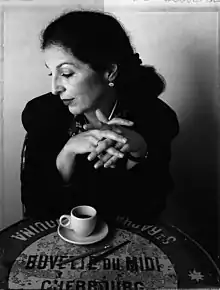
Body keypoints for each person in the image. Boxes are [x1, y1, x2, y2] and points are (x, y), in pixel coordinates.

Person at [21, 10, 179, 224]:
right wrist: (66, 156)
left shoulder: (155, 117)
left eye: (66, 73)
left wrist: (139, 153)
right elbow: (36, 211)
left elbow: (148, 213)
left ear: (109, 72)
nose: (55, 88)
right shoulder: (42, 115)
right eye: (52, 73)